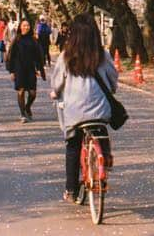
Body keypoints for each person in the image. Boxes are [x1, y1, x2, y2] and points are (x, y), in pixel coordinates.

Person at [50, 13, 118, 203]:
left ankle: (71, 189)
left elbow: (57, 83)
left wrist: (55, 92)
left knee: (72, 145)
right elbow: (113, 79)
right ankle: (105, 157)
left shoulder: (66, 55)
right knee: (100, 126)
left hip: (74, 111)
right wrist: (111, 88)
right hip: (100, 109)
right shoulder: (102, 55)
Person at [6, 18, 46, 122]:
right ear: (20, 27)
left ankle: (28, 107)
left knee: (33, 93)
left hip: (30, 68)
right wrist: (12, 71)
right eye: (24, 25)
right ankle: (22, 113)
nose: (26, 27)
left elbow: (38, 55)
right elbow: (11, 56)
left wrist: (39, 68)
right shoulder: (17, 40)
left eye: (27, 25)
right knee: (21, 90)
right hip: (19, 68)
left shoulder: (34, 40)